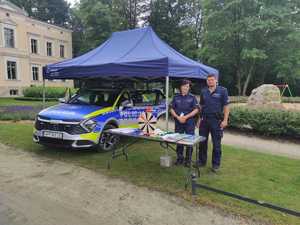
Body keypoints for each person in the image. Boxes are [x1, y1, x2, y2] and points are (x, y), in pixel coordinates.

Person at [198, 74, 229, 172]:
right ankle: (202, 161)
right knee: (202, 142)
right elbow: (201, 106)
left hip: (216, 121)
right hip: (204, 120)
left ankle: (215, 165)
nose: (210, 82)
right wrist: (199, 119)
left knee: (216, 144)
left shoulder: (223, 91)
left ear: (216, 81)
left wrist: (225, 120)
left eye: (212, 80)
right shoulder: (203, 91)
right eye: (208, 80)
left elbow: (226, 107)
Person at [170, 79, 199, 167]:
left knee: (189, 140)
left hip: (189, 122)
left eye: (187, 86)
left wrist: (186, 117)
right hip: (178, 122)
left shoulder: (192, 97)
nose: (185, 88)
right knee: (179, 140)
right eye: (184, 86)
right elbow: (171, 109)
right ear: (181, 87)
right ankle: (180, 158)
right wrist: (177, 117)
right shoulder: (176, 97)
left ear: (189, 88)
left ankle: (188, 160)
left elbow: (196, 109)